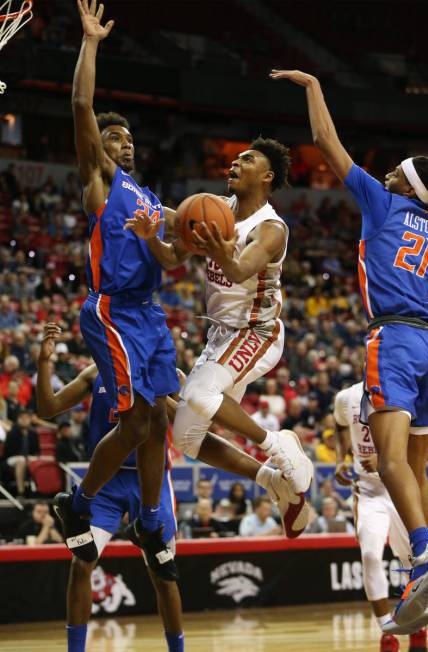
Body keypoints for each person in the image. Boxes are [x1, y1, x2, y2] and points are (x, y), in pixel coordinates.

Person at [271, 68, 428, 625]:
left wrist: (314, 88)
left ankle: (425, 551)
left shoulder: (384, 203)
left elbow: (325, 144)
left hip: (392, 335)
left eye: (397, 172)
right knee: (416, 467)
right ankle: (422, 573)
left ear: (409, 186)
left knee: (391, 461)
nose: (386, 173)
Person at [125, 137, 314, 539]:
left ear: (266, 176)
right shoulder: (216, 207)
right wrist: (149, 235)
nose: (235, 162)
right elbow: (172, 257)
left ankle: (277, 445)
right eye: (235, 157)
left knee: (195, 395)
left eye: (247, 159)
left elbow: (242, 270)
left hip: (257, 333)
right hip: (221, 336)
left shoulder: (270, 228)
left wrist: (217, 245)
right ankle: (274, 482)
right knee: (187, 439)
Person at [54, 0, 180, 577]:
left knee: (156, 422)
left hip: (150, 315)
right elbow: (80, 103)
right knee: (132, 423)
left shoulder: (149, 197)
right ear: (99, 146)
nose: (123, 141)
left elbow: (188, 234)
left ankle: (151, 518)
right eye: (113, 134)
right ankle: (76, 505)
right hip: (113, 311)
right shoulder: (100, 182)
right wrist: (91, 43)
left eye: (128, 136)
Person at [36, 323, 184, 652]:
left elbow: (190, 424)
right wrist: (44, 363)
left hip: (152, 481)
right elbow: (46, 409)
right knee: (81, 563)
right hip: (106, 482)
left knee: (163, 572)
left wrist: (155, 391)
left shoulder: (167, 373)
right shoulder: (95, 373)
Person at [334, 381, 428, 651]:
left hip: (401, 489)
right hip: (368, 491)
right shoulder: (346, 397)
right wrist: (342, 458)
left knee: (413, 559)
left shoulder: (406, 393)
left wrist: (387, 458)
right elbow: (339, 424)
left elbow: (426, 450)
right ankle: (386, 629)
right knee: (370, 555)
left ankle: (418, 626)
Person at [3, 408, 39, 496]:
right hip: (11, 459)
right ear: (18, 419)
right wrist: (26, 457)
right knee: (21, 460)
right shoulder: (12, 432)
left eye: (26, 418)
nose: (24, 420)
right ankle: (20, 491)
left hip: (28, 457)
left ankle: (39, 490)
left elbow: (37, 450)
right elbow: (9, 452)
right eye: (22, 418)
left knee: (41, 459)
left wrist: (32, 457)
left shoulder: (33, 433)